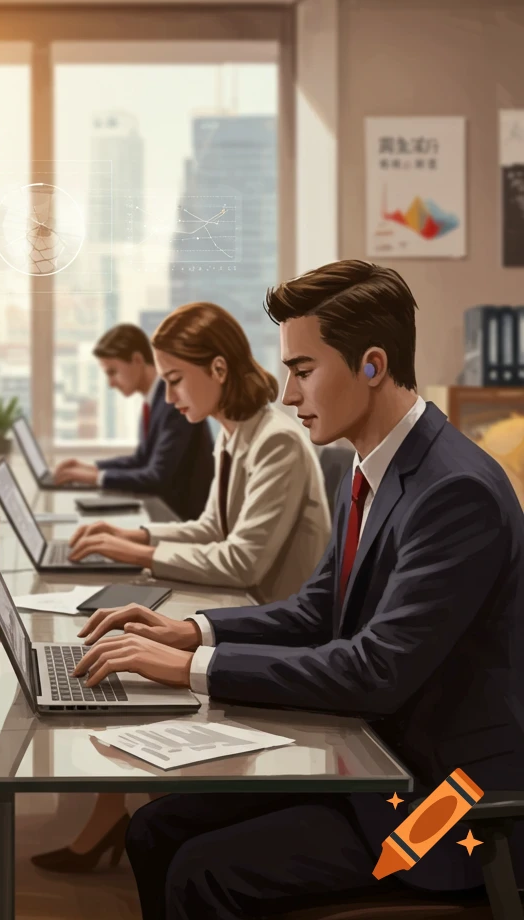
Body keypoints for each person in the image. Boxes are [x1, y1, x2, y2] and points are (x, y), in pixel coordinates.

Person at [73, 261, 524, 918]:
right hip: (378, 764)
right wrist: (192, 632)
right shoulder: (370, 465)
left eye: (303, 370)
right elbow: (320, 608)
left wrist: (188, 668)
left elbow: (375, 671)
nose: (287, 394)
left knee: (201, 870)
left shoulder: (454, 491)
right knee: (155, 828)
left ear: (372, 365)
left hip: (448, 806)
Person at [32, 302, 331, 873]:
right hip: (245, 612)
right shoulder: (235, 432)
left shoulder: (277, 440)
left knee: (138, 658)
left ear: (218, 369)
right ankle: (124, 817)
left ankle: (142, 823)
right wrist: (135, 534)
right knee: (126, 646)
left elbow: (241, 561)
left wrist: (137, 553)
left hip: (273, 631)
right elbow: (212, 528)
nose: (168, 398)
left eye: (174, 379)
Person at [51, 322, 214, 521]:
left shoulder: (173, 403)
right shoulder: (155, 400)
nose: (110, 383)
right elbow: (141, 460)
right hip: (165, 514)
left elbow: (156, 477)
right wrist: (91, 468)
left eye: (113, 372)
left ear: (137, 360)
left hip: (185, 521)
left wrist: (93, 477)